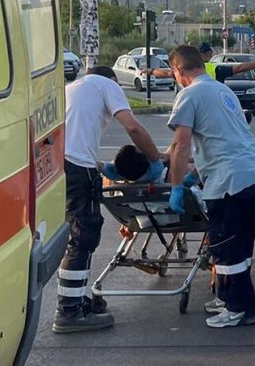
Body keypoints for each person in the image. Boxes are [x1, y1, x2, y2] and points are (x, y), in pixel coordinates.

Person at [165, 45, 255, 328]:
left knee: (225, 245)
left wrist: (176, 185)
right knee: (241, 245)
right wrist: (196, 170)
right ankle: (228, 298)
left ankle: (241, 309)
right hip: (252, 175)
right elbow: (220, 139)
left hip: (228, 182)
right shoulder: (224, 92)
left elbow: (180, 144)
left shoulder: (189, 95)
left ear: (178, 70)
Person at [54, 66, 164, 333]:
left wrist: (99, 166)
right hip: (78, 166)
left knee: (80, 230)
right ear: (113, 80)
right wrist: (155, 160)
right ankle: (69, 311)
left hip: (61, 164)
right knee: (84, 233)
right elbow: (133, 128)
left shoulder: (73, 88)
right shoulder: (107, 85)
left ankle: (76, 298)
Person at [145, 42, 255, 84]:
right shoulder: (216, 69)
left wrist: (150, 71)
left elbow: (165, 73)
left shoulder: (186, 69)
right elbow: (240, 68)